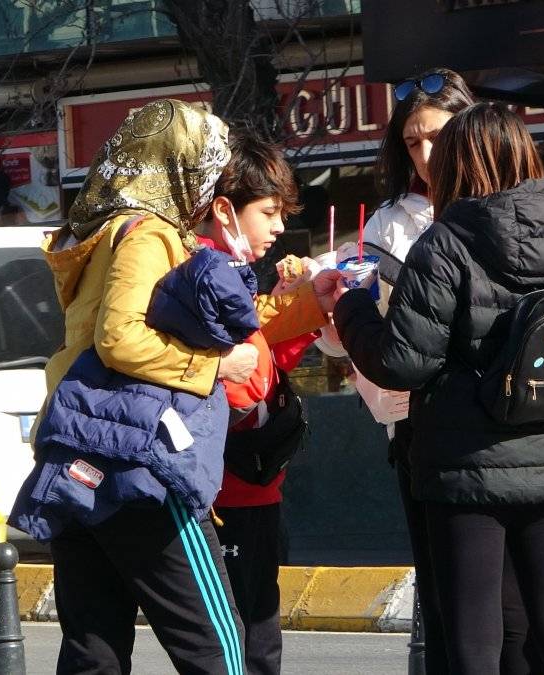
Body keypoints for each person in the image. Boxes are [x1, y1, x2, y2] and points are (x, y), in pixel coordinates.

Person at [37, 99, 338, 674]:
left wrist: (296, 309)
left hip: (76, 453)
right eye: (204, 159)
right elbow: (119, 340)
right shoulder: (147, 234)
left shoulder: (103, 234)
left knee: (92, 650)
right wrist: (212, 369)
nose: (209, 174)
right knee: (221, 649)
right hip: (138, 463)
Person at [333, 103, 544, 674]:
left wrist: (352, 306)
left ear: (458, 163)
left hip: (466, 463)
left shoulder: (446, 241)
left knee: (471, 633)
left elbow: (401, 362)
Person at [194, 131, 321, 675]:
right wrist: (295, 311)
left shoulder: (232, 274)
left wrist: (300, 309)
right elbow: (244, 381)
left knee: (254, 624)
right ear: (225, 210)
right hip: (226, 483)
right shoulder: (204, 271)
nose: (278, 227)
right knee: (243, 633)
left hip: (253, 479)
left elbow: (264, 362)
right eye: (268, 212)